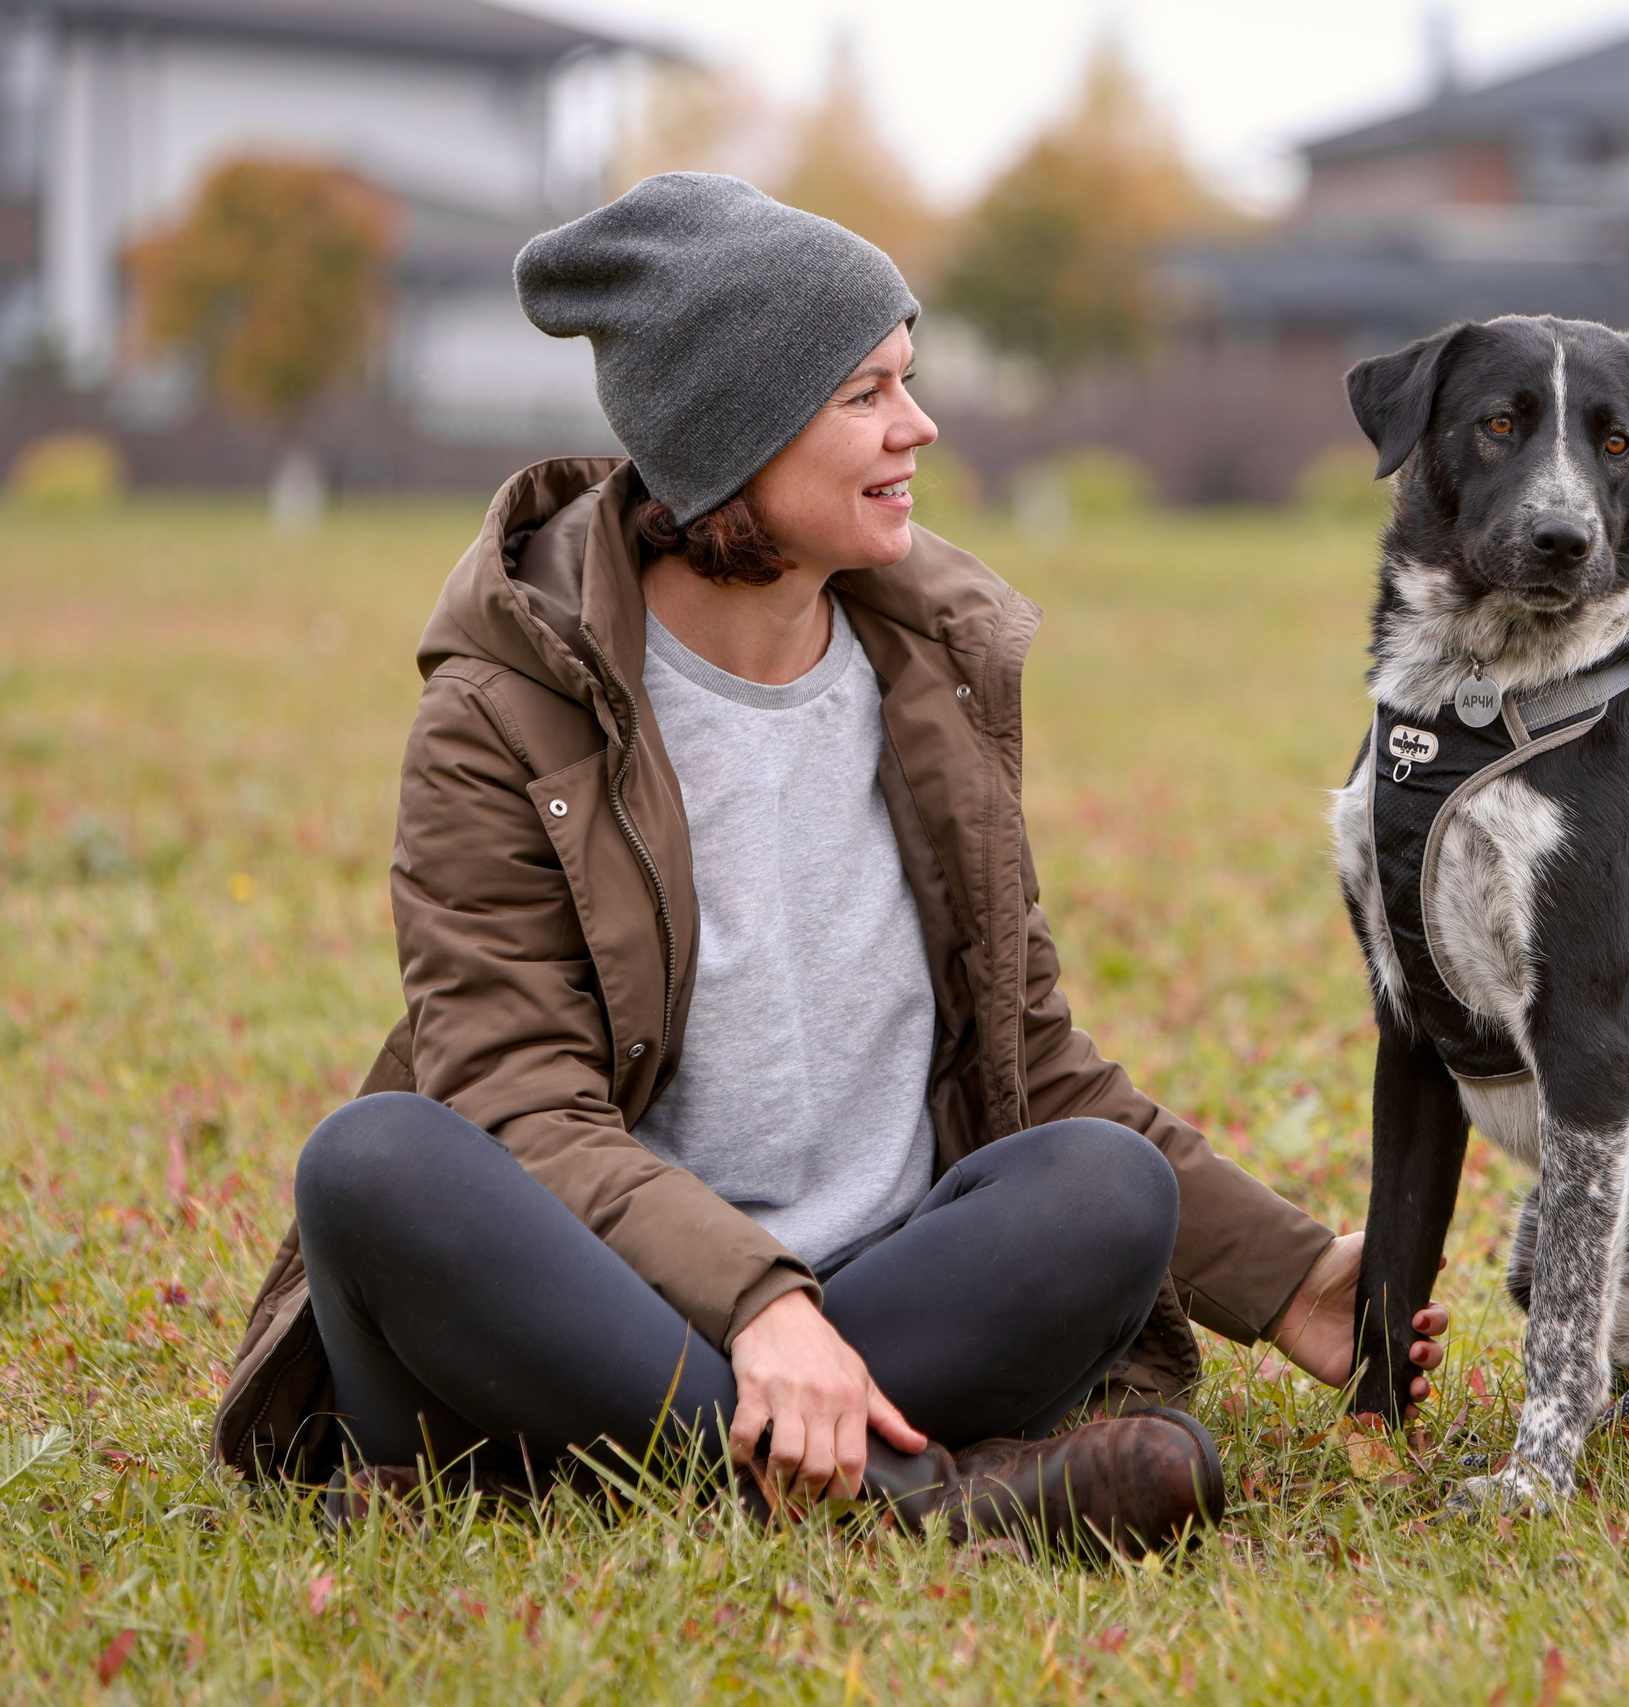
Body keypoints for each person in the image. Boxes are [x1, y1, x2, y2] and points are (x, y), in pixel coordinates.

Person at [209, 174, 1446, 1556]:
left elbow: (1030, 1055)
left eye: (907, 381)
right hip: (572, 1316)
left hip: (871, 1307)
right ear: (732, 435)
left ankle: (721, 1479)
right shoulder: (505, 713)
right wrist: (755, 1307)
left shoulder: (930, 677)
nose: (917, 427)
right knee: (377, 1164)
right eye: (866, 394)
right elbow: (523, 1111)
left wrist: (1288, 1281)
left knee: (1105, 1187)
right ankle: (913, 1506)